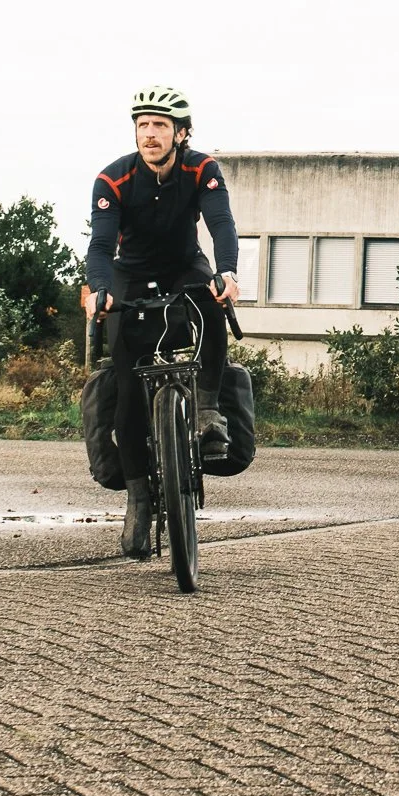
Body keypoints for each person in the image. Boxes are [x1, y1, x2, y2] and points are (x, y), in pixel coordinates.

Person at [86, 83, 241, 558]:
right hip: (129, 276)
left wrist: (228, 272)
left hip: (183, 266)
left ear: (181, 133)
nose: (149, 135)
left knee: (212, 302)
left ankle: (209, 413)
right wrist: (99, 291)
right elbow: (100, 245)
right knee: (129, 389)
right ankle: (138, 501)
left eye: (160, 126)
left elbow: (220, 223)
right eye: (143, 126)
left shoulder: (202, 170)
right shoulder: (112, 180)